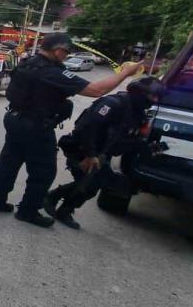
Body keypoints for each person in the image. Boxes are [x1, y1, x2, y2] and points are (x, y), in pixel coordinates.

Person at [0, 33, 144, 227]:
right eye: (66, 53)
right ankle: (28, 211)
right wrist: (126, 73)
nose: (66, 57)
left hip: (14, 119)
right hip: (36, 126)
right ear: (58, 50)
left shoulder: (27, 62)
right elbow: (96, 90)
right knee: (44, 171)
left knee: (9, 161)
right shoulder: (52, 72)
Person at [44, 77, 165, 228]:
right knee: (90, 182)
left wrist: (150, 147)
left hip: (101, 153)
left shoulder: (137, 114)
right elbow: (88, 128)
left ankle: (64, 208)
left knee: (96, 184)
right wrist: (90, 154)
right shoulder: (113, 104)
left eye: (157, 97)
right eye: (152, 96)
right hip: (81, 148)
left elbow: (131, 138)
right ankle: (53, 198)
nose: (154, 100)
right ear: (139, 92)